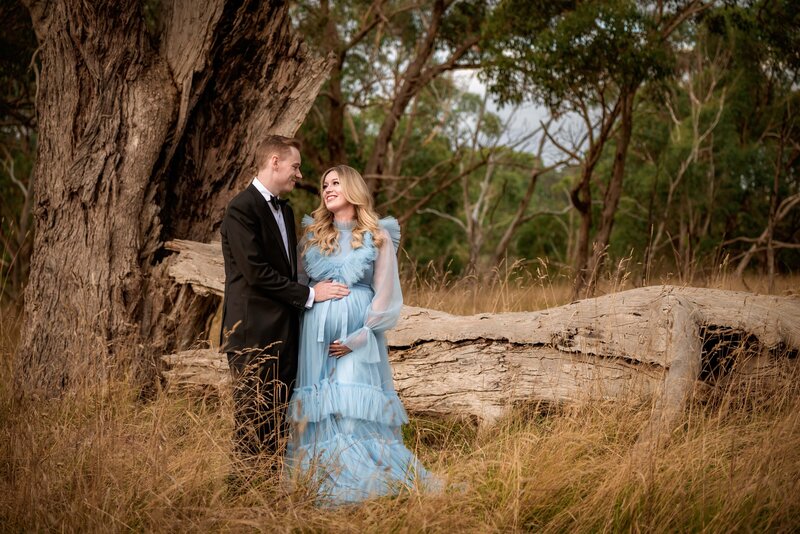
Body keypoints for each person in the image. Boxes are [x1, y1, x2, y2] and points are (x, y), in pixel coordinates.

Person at [286, 165, 438, 504]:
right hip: (316, 334)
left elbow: (385, 292)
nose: (327, 189)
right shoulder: (312, 235)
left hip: (358, 338)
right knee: (324, 407)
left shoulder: (378, 234)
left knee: (355, 407)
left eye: (335, 183)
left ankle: (369, 483)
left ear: (353, 188)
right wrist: (315, 292)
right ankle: (326, 479)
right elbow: (298, 284)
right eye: (324, 184)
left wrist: (361, 334)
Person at [220, 135, 349, 464]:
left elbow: (291, 270)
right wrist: (310, 295)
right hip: (253, 333)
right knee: (253, 418)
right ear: (274, 162)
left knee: (277, 419)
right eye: (295, 166)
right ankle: (243, 496)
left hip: (286, 332)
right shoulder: (240, 208)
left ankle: (267, 497)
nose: (299, 174)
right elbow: (255, 272)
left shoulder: (286, 210)